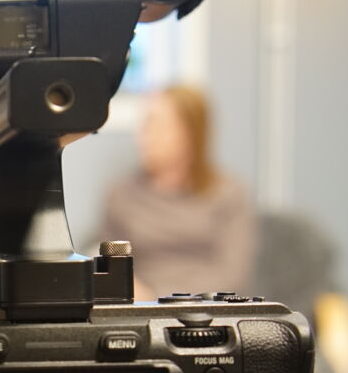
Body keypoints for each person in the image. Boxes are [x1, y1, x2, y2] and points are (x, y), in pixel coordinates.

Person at [99, 85, 256, 300]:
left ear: (191, 134)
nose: (145, 137)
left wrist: (158, 296)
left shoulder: (228, 194)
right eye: (145, 125)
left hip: (207, 306)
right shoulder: (122, 194)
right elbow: (110, 264)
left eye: (158, 125)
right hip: (140, 305)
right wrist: (130, 290)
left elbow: (232, 275)